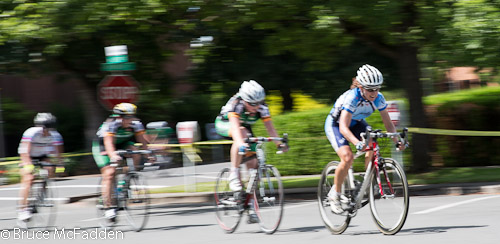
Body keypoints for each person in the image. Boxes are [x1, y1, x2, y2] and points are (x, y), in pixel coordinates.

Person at [324, 64, 405, 214]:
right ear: (361, 87)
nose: (374, 93)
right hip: (336, 124)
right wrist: (356, 143)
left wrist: (397, 141)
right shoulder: (352, 98)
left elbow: (388, 124)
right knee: (347, 157)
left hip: (357, 123)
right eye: (370, 89)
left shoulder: (379, 99)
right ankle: (334, 194)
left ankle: (367, 180)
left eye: (377, 88)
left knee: (374, 144)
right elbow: (343, 127)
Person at [215, 80, 288, 223]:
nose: (257, 107)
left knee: (254, 167)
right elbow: (236, 128)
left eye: (260, 102)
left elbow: (270, 128)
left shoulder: (262, 107)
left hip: (244, 128)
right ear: (245, 100)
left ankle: (250, 205)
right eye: (253, 104)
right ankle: (233, 174)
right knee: (242, 134)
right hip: (225, 124)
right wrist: (241, 143)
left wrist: (279, 144)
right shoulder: (236, 105)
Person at [92, 103, 149, 221]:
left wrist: (148, 153)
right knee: (109, 173)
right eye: (128, 118)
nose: (131, 120)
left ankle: (126, 183)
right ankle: (108, 207)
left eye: (132, 117)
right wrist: (112, 155)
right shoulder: (111, 124)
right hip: (103, 146)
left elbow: (143, 142)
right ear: (119, 117)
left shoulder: (136, 124)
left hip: (123, 143)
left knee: (136, 152)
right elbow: (108, 143)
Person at [17, 113, 64, 222]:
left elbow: (58, 152)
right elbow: (25, 152)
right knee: (28, 179)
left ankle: (42, 194)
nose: (44, 132)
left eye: (47, 129)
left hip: (43, 155)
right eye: (43, 128)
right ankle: (23, 209)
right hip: (28, 154)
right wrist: (28, 166)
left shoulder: (55, 135)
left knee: (50, 170)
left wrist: (60, 165)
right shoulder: (31, 132)